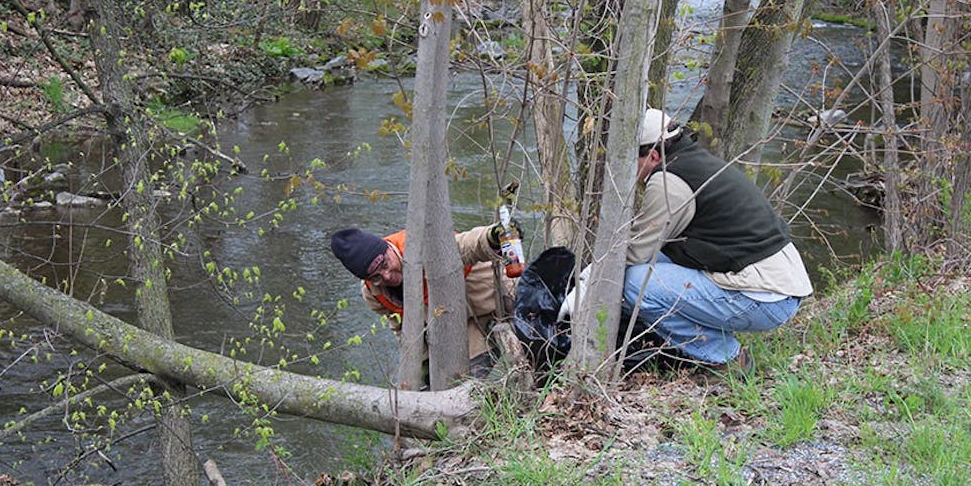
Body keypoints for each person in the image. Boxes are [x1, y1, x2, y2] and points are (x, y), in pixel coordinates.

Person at [560, 108, 813, 376]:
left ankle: (727, 359)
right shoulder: (696, 162)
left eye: (631, 159)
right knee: (656, 265)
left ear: (654, 156)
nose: (626, 169)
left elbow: (634, 253)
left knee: (636, 283)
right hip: (782, 285)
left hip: (765, 299)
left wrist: (586, 285)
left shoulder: (669, 183)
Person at [330, 223, 518, 381]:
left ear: (388, 248)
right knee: (464, 383)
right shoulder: (373, 292)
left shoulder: (419, 245)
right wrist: (421, 367)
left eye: (384, 265)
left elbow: (465, 245)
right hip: (461, 324)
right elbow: (404, 328)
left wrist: (491, 237)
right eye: (376, 276)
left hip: (499, 297)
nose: (387, 276)